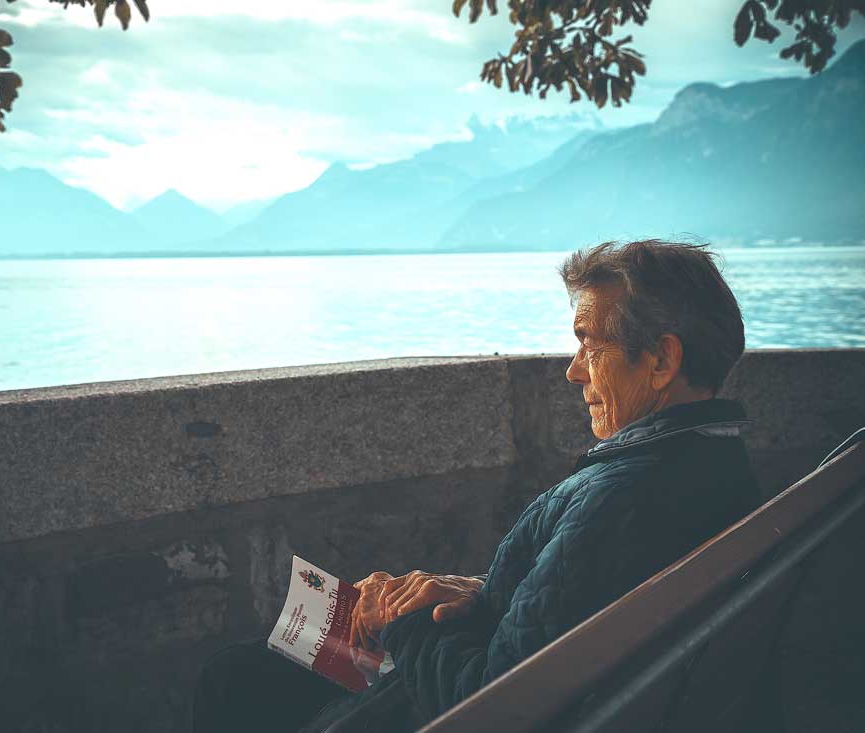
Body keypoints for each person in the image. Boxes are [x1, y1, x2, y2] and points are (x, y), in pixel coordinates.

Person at [192, 240, 759, 733]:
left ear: (660, 360)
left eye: (589, 343)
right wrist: (475, 592)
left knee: (233, 679)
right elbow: (574, 597)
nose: (574, 370)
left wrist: (398, 619)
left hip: (449, 705)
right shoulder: (713, 464)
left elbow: (494, 702)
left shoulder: (622, 499)